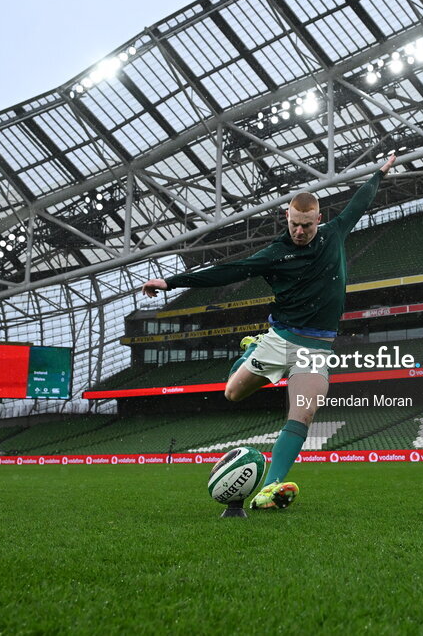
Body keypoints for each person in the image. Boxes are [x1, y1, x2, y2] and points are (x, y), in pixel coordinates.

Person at [142, 153, 398, 510]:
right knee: (232, 394)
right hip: (278, 341)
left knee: (303, 412)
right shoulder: (275, 253)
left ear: (318, 219)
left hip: (316, 348)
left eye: (307, 225)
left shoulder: (335, 233)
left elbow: (361, 199)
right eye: (294, 224)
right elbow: (227, 271)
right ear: (287, 217)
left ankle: (271, 487)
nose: (300, 231)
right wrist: (171, 281)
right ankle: (250, 350)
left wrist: (379, 172)